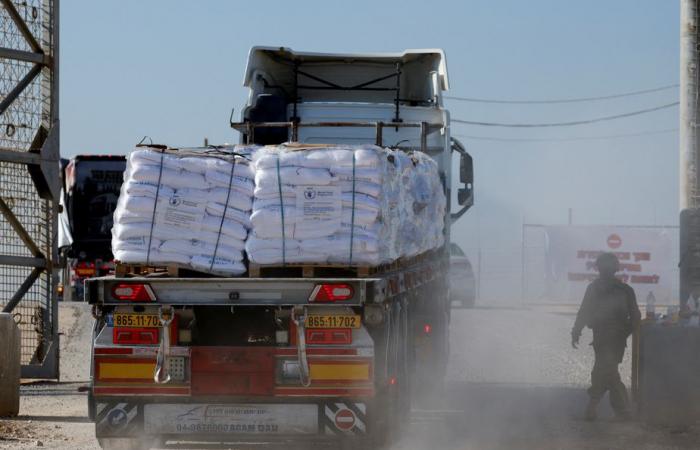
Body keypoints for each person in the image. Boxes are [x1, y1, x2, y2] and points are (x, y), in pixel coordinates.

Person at [571, 252, 641, 421]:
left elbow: (584, 312)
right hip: (608, 339)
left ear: (599, 268)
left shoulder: (597, 288)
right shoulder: (624, 290)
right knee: (608, 372)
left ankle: (595, 407)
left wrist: (576, 331)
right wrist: (625, 333)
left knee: (603, 371)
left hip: (607, 338)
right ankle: (622, 411)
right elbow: (636, 318)